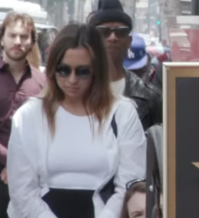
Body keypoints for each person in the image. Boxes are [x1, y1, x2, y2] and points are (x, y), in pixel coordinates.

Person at [6, 24, 146, 218]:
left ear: (97, 71)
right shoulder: (29, 115)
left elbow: (130, 183)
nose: (72, 80)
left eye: (82, 71)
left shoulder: (122, 113)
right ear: (53, 68)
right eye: (63, 70)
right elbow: (22, 190)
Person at [89, 0, 162, 131]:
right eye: (104, 32)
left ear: (129, 41)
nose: (113, 37)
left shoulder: (151, 98)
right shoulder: (75, 91)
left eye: (121, 32)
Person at [0, 13, 47, 218]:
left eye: (24, 36)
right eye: (12, 35)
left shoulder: (43, 83)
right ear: (2, 39)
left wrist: (21, 165)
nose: (17, 41)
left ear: (32, 42)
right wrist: (11, 161)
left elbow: (48, 131)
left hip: (34, 177)